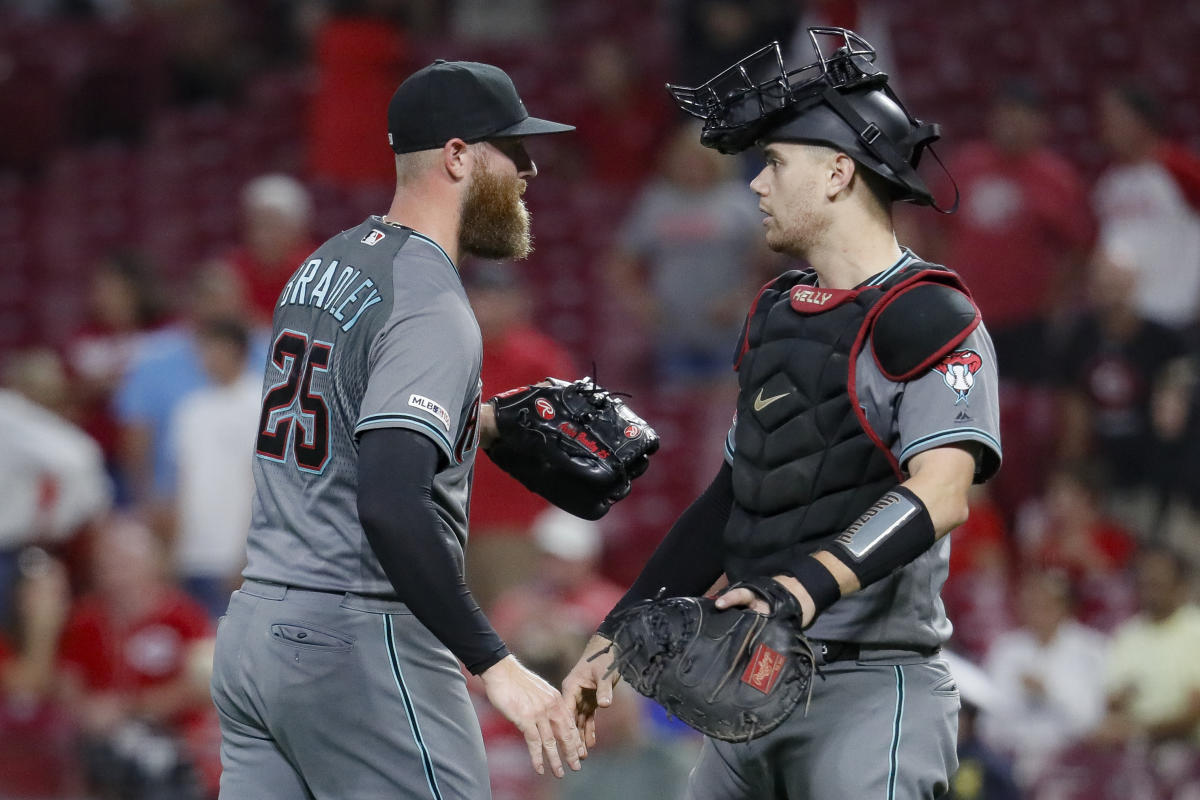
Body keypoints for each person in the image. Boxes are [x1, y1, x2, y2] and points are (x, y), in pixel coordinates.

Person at [564, 28, 1002, 799]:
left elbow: (942, 492)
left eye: (773, 164)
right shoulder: (777, 312)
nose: (755, 187)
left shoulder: (930, 312)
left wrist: (799, 587)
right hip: (753, 684)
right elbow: (736, 494)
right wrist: (609, 645)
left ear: (838, 172)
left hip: (872, 686)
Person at [210, 59, 586, 800]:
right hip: (357, 636)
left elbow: (338, 421)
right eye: (512, 149)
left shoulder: (323, 262)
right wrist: (496, 664)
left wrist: (475, 423)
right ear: (457, 156)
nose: (530, 169)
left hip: (256, 628)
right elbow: (388, 501)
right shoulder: (432, 301)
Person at [167, 319, 262, 619]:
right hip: (191, 556)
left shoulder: (261, 402)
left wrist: (249, 553)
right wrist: (174, 548)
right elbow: (183, 482)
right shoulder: (191, 409)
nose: (204, 357)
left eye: (212, 348)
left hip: (236, 557)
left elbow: (264, 484)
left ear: (236, 351)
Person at [982, 570, 1109, 787]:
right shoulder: (1005, 650)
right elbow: (989, 724)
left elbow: (1092, 722)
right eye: (1031, 604)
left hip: (1073, 765)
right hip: (1010, 762)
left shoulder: (1092, 650)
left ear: (1066, 607)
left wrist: (1049, 693)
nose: (1037, 612)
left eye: (1047, 605)